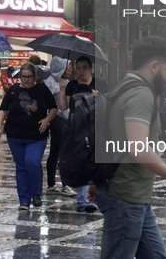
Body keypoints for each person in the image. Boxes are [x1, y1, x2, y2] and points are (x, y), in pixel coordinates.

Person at [90, 36, 166, 259]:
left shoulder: (124, 85)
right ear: (154, 66)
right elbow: (138, 148)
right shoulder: (141, 93)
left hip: (133, 195)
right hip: (126, 198)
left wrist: (97, 180)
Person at [0, 62, 57, 210]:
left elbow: (53, 108)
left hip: (37, 135)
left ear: (35, 77)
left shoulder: (42, 89)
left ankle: (36, 193)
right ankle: (24, 200)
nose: (26, 80)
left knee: (32, 162)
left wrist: (47, 119)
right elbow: (3, 110)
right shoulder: (13, 90)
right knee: (21, 167)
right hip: (15, 135)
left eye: (29, 77)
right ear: (19, 77)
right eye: (24, 77)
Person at [58, 55, 109, 213]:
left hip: (95, 127)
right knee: (80, 162)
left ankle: (90, 199)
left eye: (84, 68)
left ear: (90, 68)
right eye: (78, 68)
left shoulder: (100, 84)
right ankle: (84, 200)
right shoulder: (72, 86)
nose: (81, 71)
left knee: (93, 162)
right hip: (76, 128)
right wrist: (62, 90)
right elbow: (63, 106)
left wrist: (98, 97)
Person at [43, 57, 76, 196]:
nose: (70, 71)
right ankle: (66, 184)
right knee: (64, 151)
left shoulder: (67, 82)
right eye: (67, 69)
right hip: (56, 119)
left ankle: (51, 184)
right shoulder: (49, 83)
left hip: (66, 118)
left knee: (55, 151)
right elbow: (47, 102)